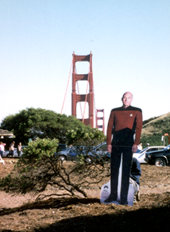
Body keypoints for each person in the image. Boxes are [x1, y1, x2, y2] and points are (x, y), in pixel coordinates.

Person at [105, 91, 143, 205]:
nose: (126, 100)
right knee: (114, 170)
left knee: (126, 171)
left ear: (132, 99)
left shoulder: (137, 110)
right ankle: (112, 195)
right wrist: (108, 143)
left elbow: (138, 128)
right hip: (116, 144)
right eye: (124, 98)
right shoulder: (114, 111)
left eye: (128, 98)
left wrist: (136, 143)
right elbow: (109, 127)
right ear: (121, 99)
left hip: (128, 144)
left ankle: (123, 198)